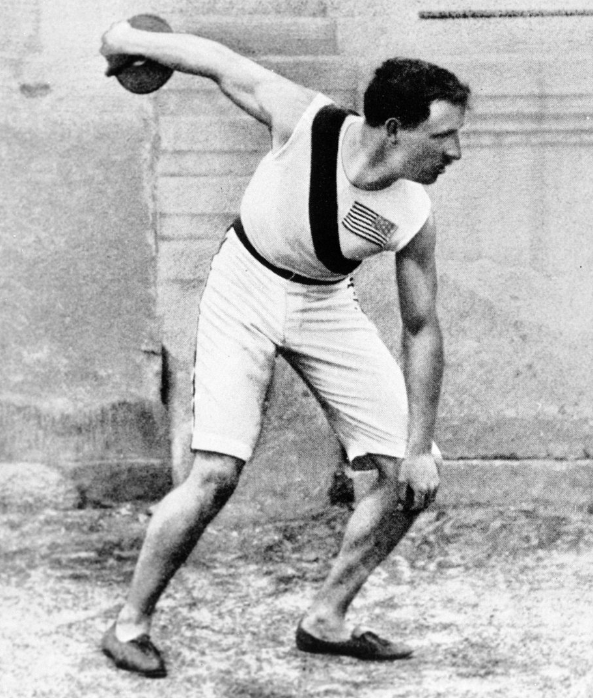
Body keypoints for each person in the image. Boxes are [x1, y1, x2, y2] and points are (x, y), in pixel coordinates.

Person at [99, 19, 470, 678]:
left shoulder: (411, 212)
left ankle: (326, 619)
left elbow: (422, 328)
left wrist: (416, 447)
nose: (456, 152)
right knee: (215, 474)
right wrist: (127, 36)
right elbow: (218, 62)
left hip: (324, 303)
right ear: (392, 128)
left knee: (411, 471)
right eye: (442, 136)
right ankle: (129, 626)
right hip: (245, 284)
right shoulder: (305, 120)